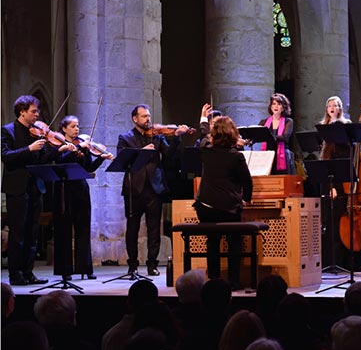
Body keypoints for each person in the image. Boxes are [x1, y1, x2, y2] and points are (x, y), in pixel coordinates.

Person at [1, 95, 74, 286]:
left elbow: (42, 159)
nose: (37, 115)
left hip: (36, 187)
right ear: (22, 112)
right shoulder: (7, 131)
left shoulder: (38, 133)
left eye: (37, 111)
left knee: (33, 233)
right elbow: (6, 156)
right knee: (18, 233)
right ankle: (15, 275)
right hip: (17, 188)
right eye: (34, 111)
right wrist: (29, 148)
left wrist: (57, 151)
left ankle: (28, 272)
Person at [117, 104, 192, 276]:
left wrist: (177, 137)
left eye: (148, 116)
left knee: (154, 230)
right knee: (132, 229)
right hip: (134, 189)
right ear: (135, 119)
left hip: (154, 188)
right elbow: (122, 160)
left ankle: (152, 264)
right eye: (143, 116)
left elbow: (169, 155)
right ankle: (133, 265)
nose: (148, 119)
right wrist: (141, 152)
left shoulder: (157, 136)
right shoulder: (125, 138)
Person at [193, 116, 253, 290]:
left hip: (205, 208)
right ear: (233, 134)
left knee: (212, 241)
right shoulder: (236, 157)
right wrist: (245, 199)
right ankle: (234, 281)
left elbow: (203, 133)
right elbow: (247, 183)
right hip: (228, 208)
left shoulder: (205, 149)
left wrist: (203, 117)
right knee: (234, 240)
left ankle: (213, 279)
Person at [54, 115, 113, 280]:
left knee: (83, 228)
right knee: (64, 230)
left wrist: (100, 158)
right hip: (64, 189)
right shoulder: (59, 147)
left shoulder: (83, 147)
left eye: (78, 126)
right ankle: (65, 270)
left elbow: (88, 167)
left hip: (80, 189)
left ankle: (85, 268)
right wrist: (77, 149)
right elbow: (59, 162)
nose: (77, 129)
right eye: (73, 126)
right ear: (64, 129)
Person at [319, 96, 351, 269]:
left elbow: (344, 155)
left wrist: (336, 186)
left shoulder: (343, 126)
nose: (332, 107)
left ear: (340, 108)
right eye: (329, 105)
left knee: (337, 220)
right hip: (327, 177)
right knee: (327, 221)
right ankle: (328, 261)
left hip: (339, 179)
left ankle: (339, 260)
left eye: (335, 105)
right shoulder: (323, 127)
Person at [259, 93, 296, 175]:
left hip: (282, 155)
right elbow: (258, 136)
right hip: (267, 154)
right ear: (271, 106)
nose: (276, 106)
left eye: (279, 104)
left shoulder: (288, 121)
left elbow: (284, 137)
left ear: (283, 107)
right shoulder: (263, 122)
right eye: (274, 104)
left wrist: (268, 137)